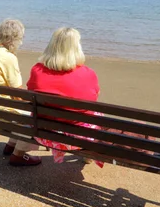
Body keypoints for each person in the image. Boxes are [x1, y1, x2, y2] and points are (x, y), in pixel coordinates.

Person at [27, 27, 103, 166]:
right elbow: (94, 98)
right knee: (97, 114)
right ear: (76, 48)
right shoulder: (88, 73)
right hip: (79, 138)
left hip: (44, 134)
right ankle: (87, 155)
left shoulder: (37, 70)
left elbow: (30, 94)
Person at [0, 19, 42, 166]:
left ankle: (11, 145)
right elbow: (18, 94)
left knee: (20, 111)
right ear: (15, 39)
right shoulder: (8, 57)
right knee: (32, 117)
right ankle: (18, 155)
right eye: (21, 38)